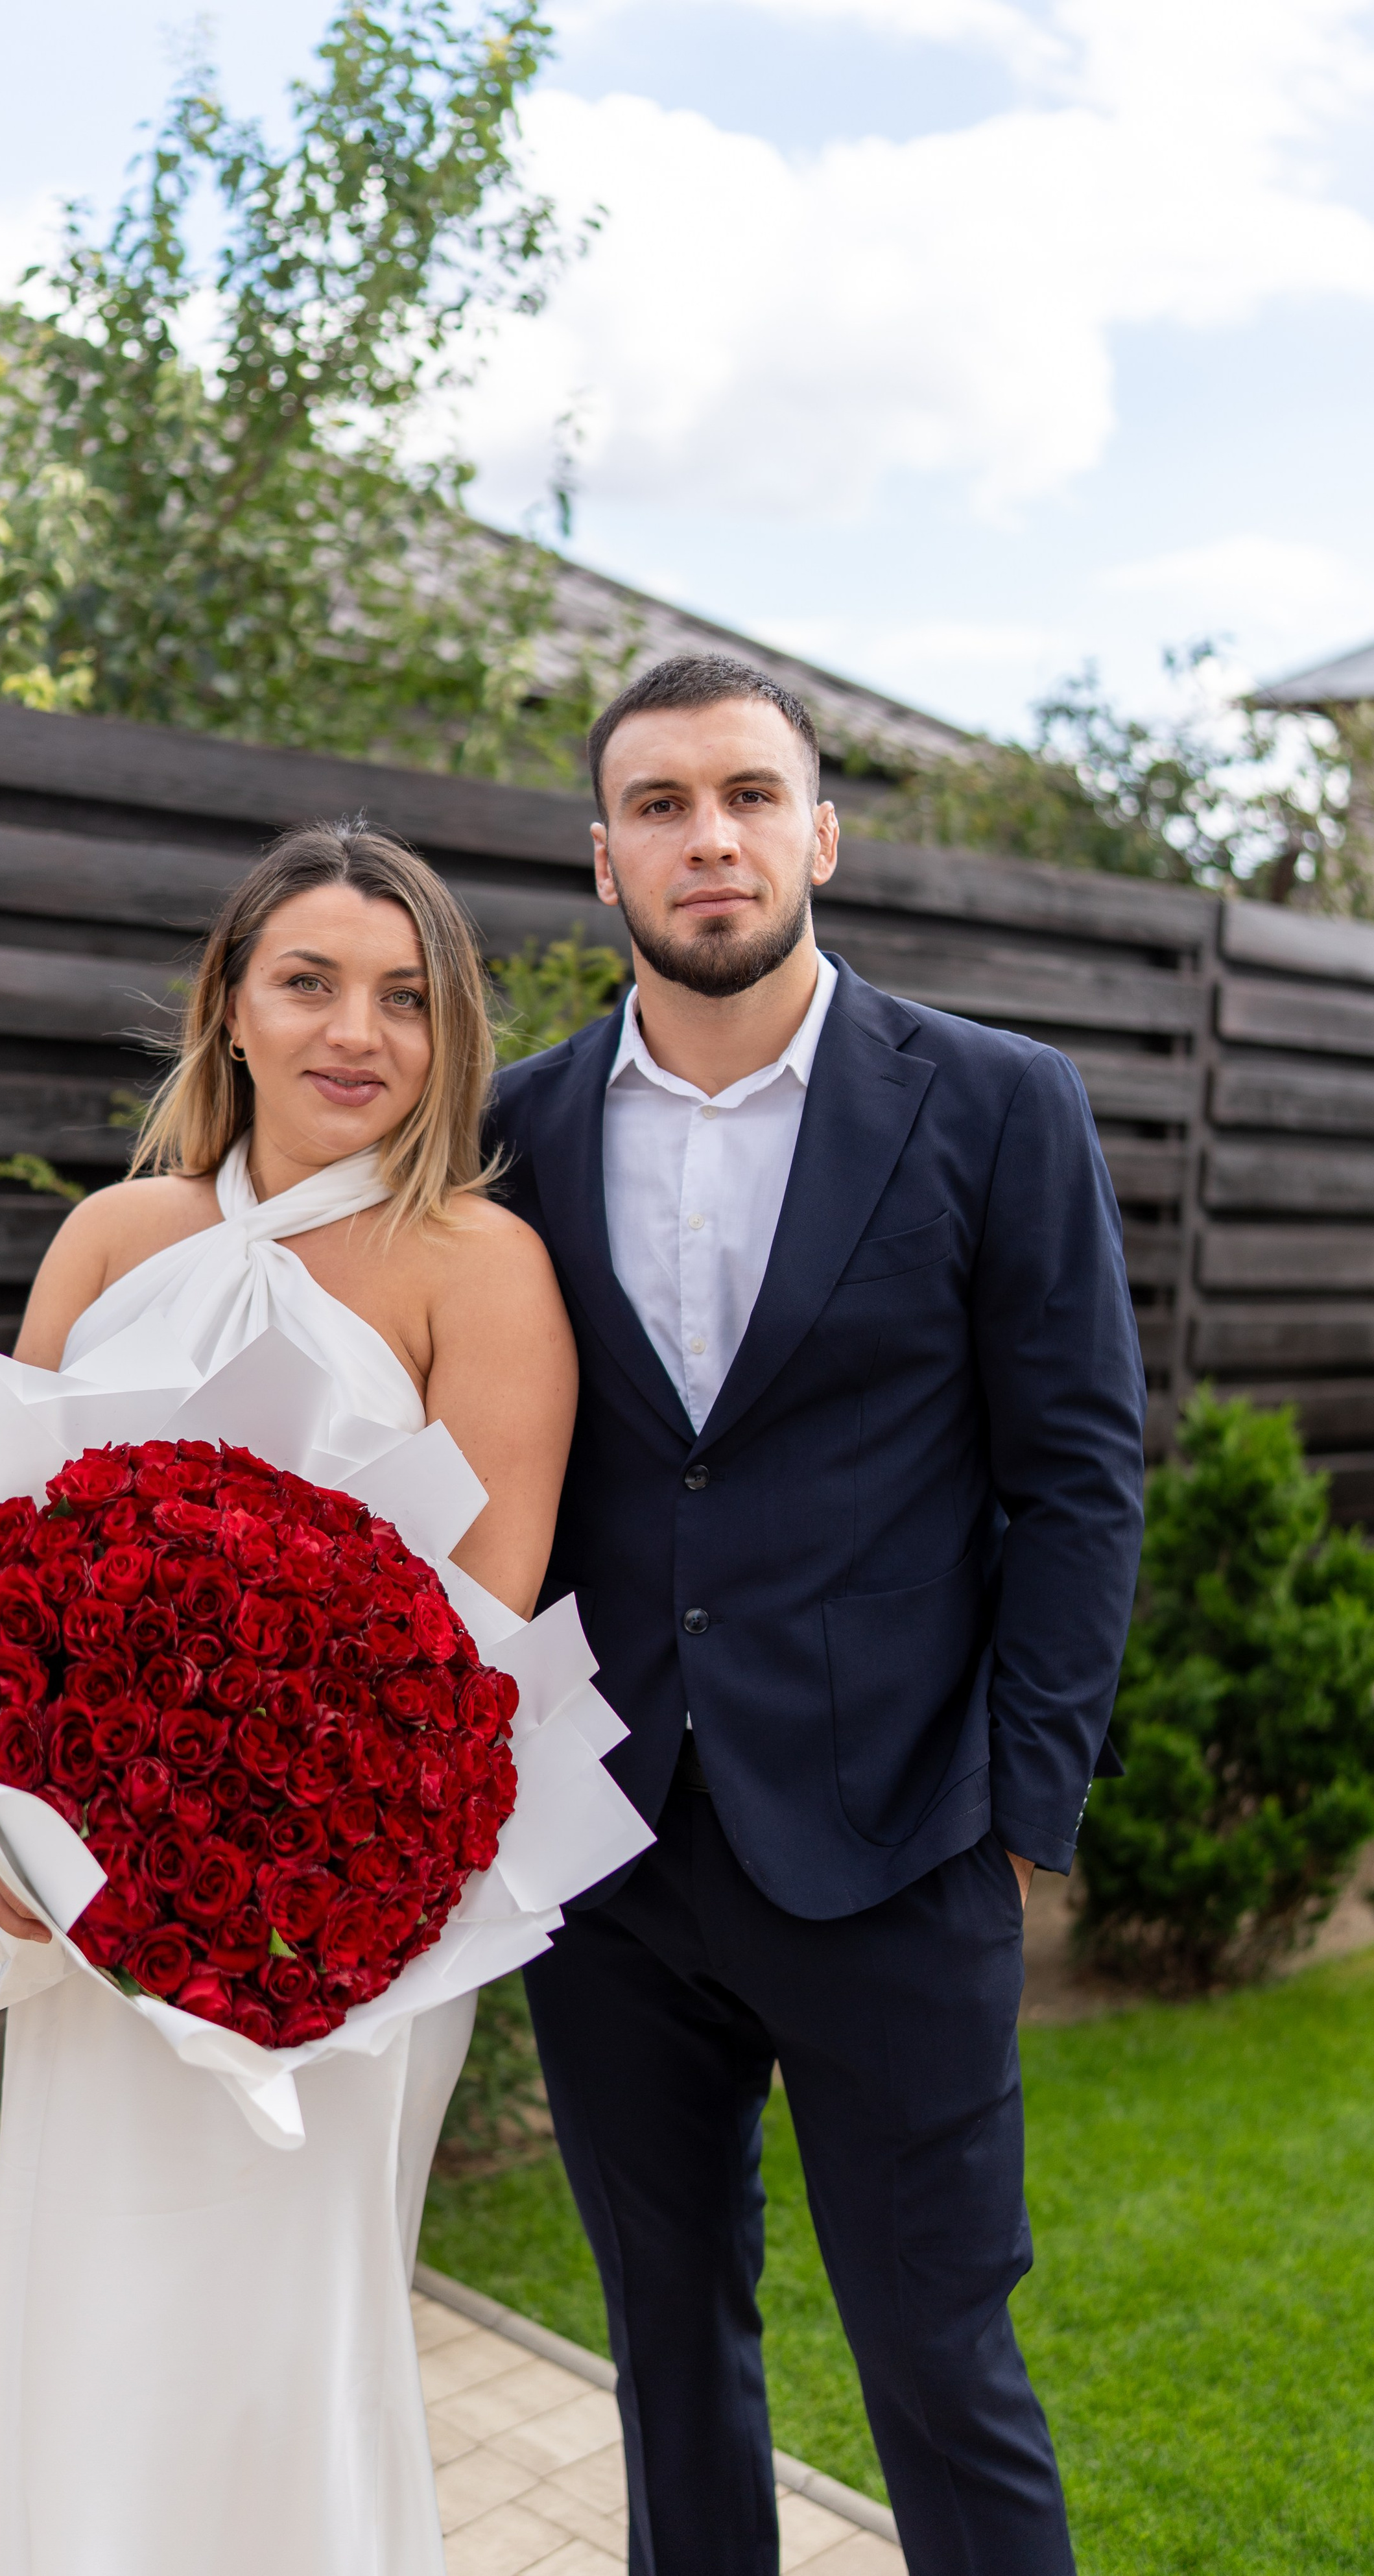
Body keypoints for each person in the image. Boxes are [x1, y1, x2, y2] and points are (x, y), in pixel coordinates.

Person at [490, 654, 1146, 2576]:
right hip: (613, 1865)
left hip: (899, 1850)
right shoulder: (515, 1133)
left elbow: (1081, 1472)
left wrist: (1024, 1806)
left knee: (943, 2369)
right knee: (668, 2362)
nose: (714, 837)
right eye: (667, 803)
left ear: (822, 833)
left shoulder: (999, 1106)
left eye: (752, 796)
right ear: (600, 854)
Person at [0, 823, 578, 2575]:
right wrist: (14, 1826)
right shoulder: (112, 1235)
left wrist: (314, 1888)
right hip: (93, 1909)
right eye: (308, 980)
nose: (352, 1029)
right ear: (229, 1003)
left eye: (404, 995)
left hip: (341, 1929)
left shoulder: (484, 1267)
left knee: (291, 2335)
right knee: (95, 2308)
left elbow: (488, 1643)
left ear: (450, 1034)